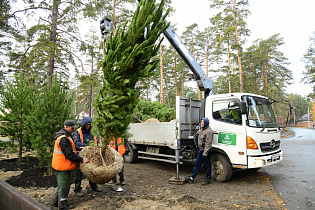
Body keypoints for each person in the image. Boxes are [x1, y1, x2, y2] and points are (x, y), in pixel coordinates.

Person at [51, 120, 90, 210]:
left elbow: (69, 148)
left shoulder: (65, 136)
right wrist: (82, 159)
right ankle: (63, 205)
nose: (73, 130)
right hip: (63, 166)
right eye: (72, 128)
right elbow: (70, 155)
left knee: (61, 185)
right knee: (65, 186)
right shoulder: (63, 139)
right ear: (66, 127)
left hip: (59, 165)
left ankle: (55, 202)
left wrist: (78, 148)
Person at [73, 116, 102, 196]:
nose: (88, 126)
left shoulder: (93, 131)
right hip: (81, 154)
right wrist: (86, 146)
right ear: (83, 124)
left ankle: (94, 186)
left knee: (92, 171)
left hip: (92, 155)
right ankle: (77, 189)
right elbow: (76, 142)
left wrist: (98, 145)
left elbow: (98, 140)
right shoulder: (78, 132)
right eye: (87, 124)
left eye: (89, 124)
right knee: (79, 172)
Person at [185, 117, 213, 185]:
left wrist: (205, 153)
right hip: (201, 150)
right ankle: (192, 178)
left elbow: (208, 143)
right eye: (201, 122)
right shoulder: (203, 129)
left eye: (203, 123)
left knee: (207, 165)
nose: (202, 124)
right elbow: (201, 132)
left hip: (206, 151)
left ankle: (207, 179)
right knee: (197, 164)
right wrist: (197, 132)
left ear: (206, 123)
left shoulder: (209, 131)